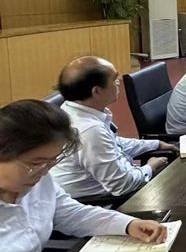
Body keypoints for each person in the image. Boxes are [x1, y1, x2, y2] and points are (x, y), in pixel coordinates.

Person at [0, 100, 167, 252]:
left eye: (51, 163)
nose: (43, 172)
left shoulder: (37, 181)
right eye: (35, 163)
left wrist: (127, 224)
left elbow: (72, 213)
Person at [50, 57, 177, 198]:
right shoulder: (89, 131)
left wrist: (155, 144)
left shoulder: (72, 108)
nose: (118, 83)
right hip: (104, 202)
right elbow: (123, 186)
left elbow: (113, 143)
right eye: (114, 79)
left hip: (114, 185)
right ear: (97, 91)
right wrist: (150, 167)